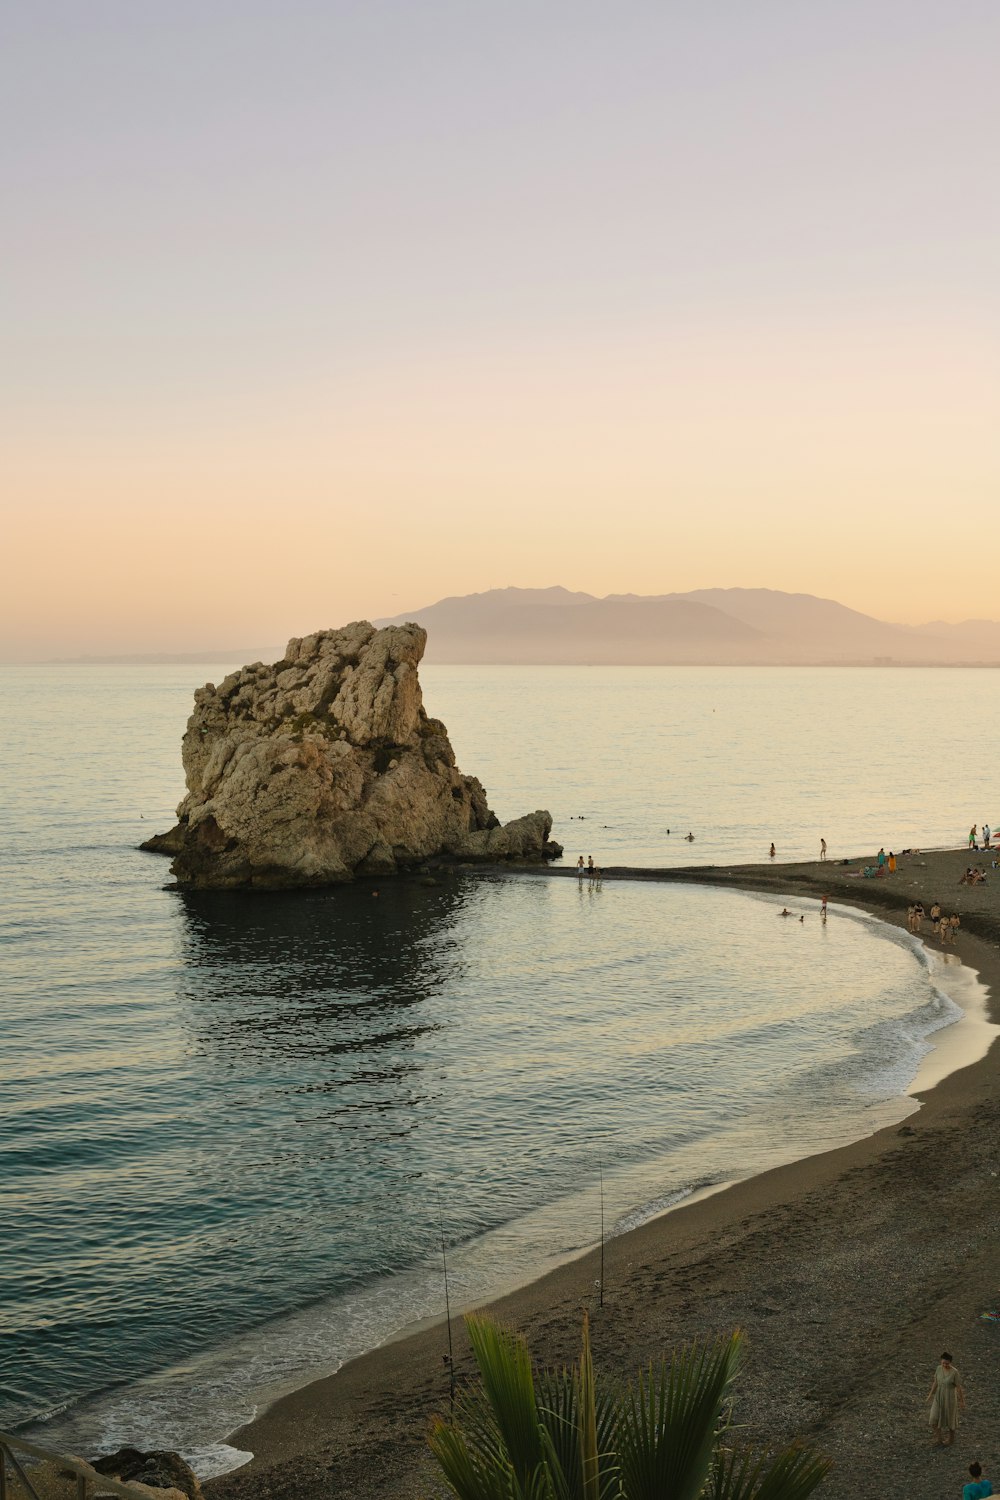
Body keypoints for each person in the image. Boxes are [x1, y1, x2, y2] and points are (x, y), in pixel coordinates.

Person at [926, 1351, 964, 1445]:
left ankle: (951, 1439)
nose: (944, 1365)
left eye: (947, 1363)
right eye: (943, 1363)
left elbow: (959, 1388)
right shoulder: (938, 1369)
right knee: (933, 1418)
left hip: (950, 1398)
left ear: (950, 1362)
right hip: (939, 1396)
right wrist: (930, 1394)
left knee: (950, 1418)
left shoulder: (954, 1372)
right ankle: (939, 1439)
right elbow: (935, 1382)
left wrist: (962, 1401)